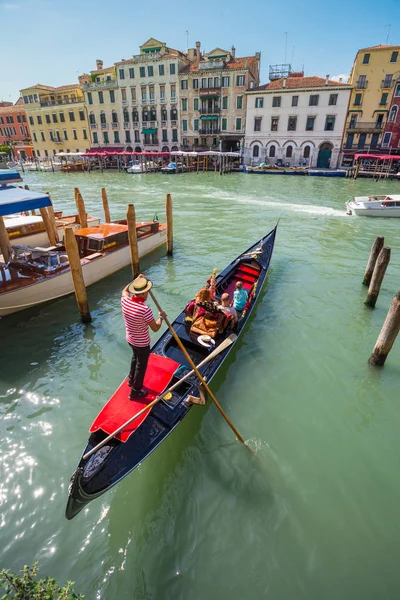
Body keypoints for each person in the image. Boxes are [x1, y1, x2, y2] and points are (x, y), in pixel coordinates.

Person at [121, 275, 167, 400]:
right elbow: (155, 328)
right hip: (142, 343)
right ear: (143, 293)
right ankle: (135, 392)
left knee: (135, 358)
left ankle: (131, 380)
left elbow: (124, 291)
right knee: (141, 366)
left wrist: (135, 281)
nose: (148, 293)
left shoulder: (125, 300)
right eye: (146, 291)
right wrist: (161, 317)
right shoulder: (144, 310)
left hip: (130, 339)